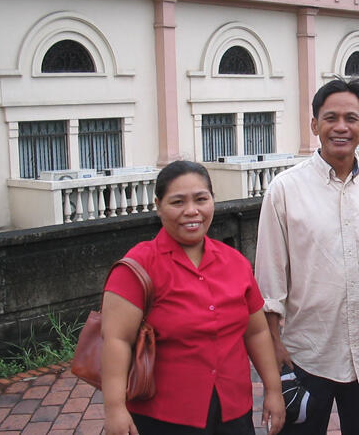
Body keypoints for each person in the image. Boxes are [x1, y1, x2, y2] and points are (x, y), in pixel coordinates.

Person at [255, 77, 359, 435]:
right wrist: (274, 344)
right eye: (330, 118)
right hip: (306, 352)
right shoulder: (285, 189)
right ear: (315, 125)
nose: (340, 127)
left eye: (350, 118)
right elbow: (269, 276)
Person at [101, 160, 285, 435]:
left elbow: (256, 333)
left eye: (201, 199)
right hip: (165, 415)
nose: (192, 211)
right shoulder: (138, 266)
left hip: (233, 410)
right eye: (177, 202)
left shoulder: (234, 262)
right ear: (158, 206)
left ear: (212, 201)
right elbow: (116, 340)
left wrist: (273, 390)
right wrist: (114, 407)